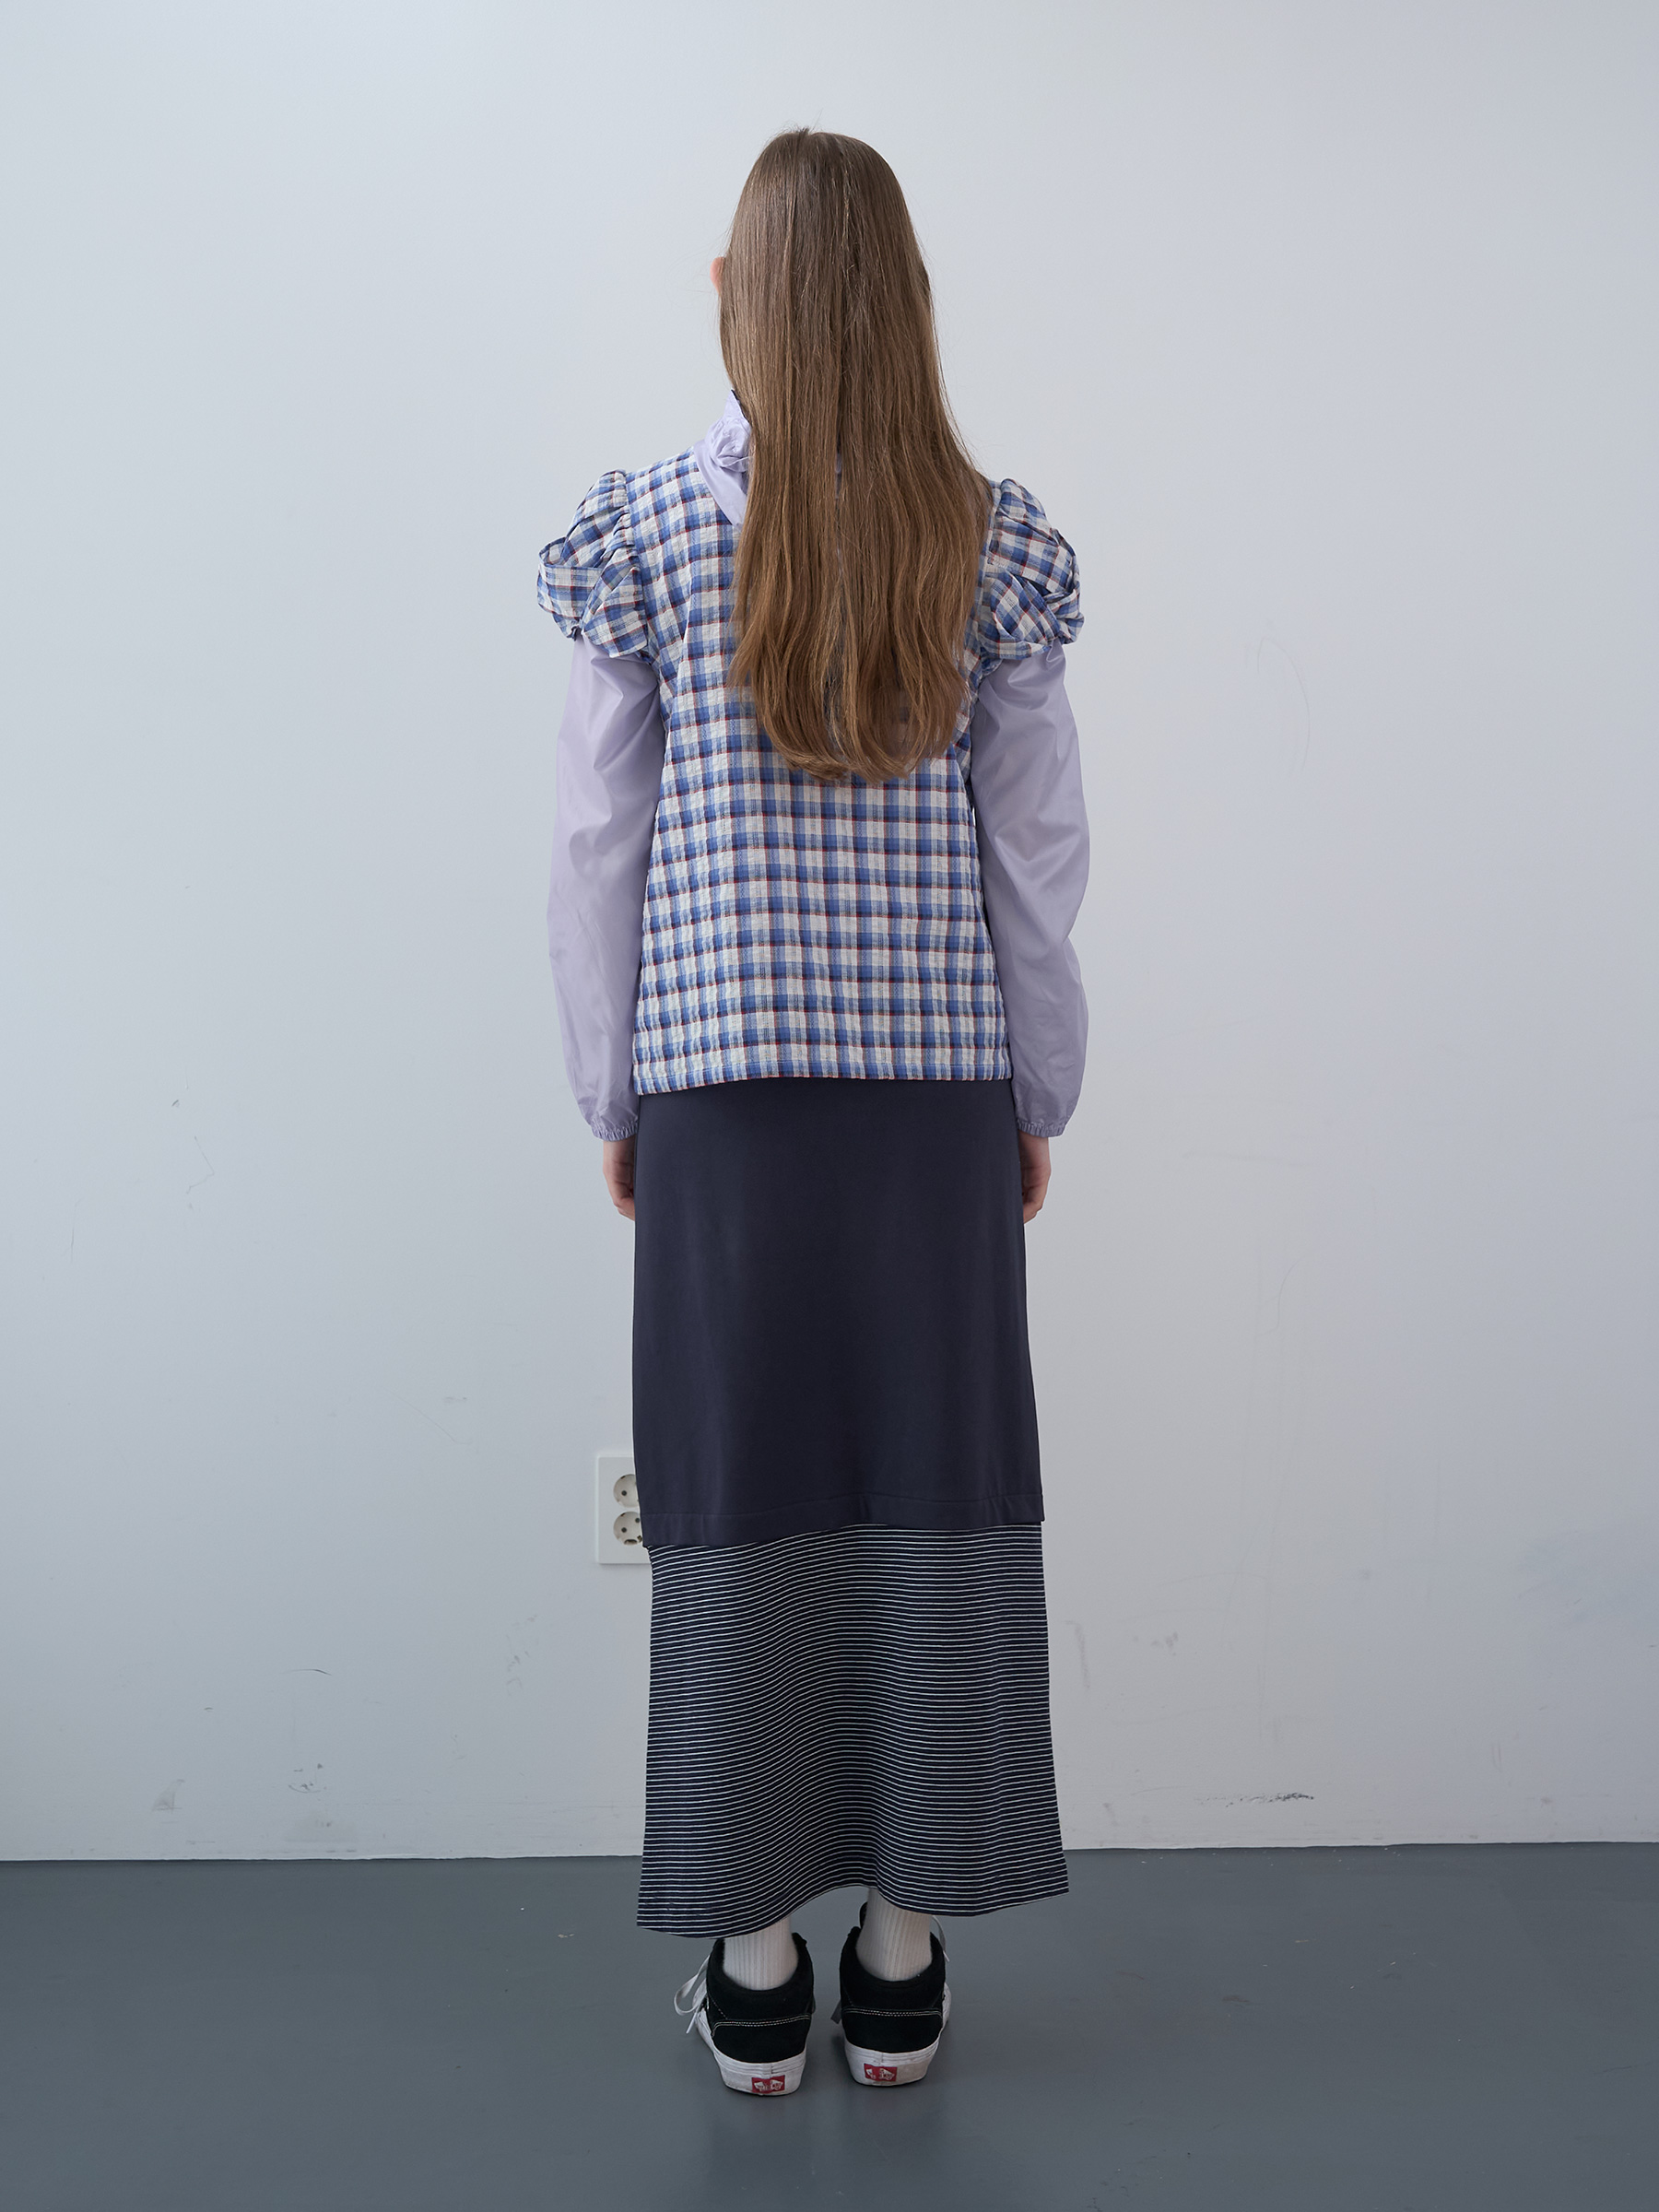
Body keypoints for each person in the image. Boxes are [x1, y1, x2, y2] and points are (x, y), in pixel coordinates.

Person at [536, 128, 1088, 2098]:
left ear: (735, 293)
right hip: (933, 1109)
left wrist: (614, 1085)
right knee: (941, 1487)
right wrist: (1038, 1085)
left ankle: (757, 1968)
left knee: (736, 1498)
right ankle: (906, 1957)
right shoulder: (987, 539)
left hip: (723, 1105)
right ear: (907, 303)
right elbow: (1037, 856)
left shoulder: (645, 532)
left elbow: (598, 850)